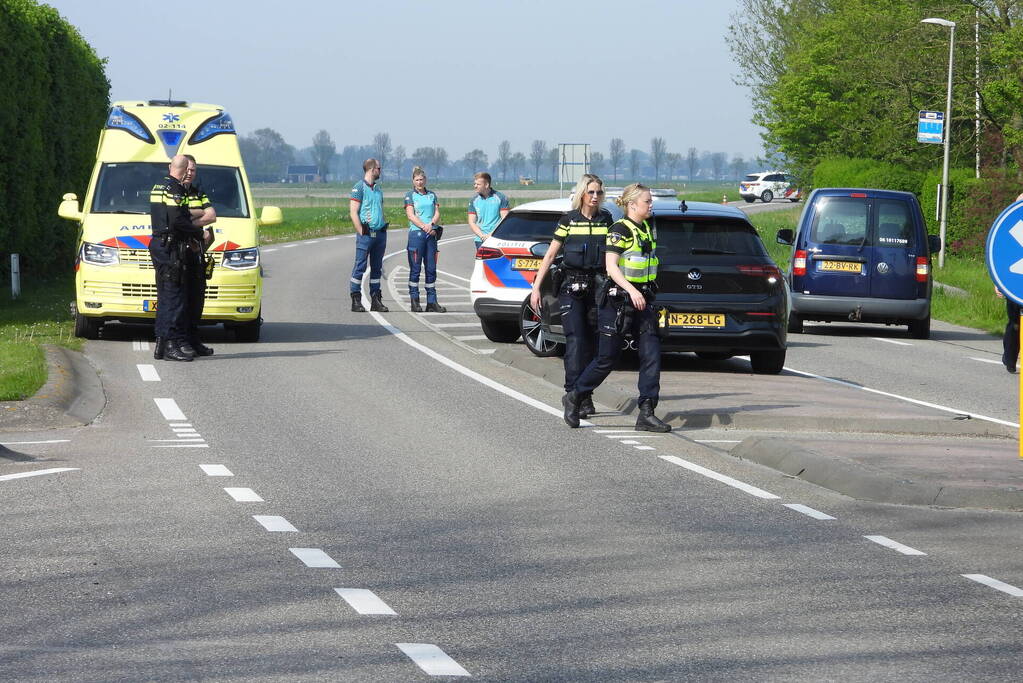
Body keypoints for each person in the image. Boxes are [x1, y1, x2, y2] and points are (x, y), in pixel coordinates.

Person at [563, 183, 671, 432]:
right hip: (618, 301)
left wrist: (644, 292)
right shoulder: (619, 230)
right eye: (647, 201)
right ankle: (575, 395)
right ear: (633, 205)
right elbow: (611, 266)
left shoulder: (645, 229)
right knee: (607, 358)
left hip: (643, 300)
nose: (651, 205)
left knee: (651, 355)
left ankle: (646, 412)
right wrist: (632, 291)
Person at [530, 173, 612, 418]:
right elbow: (550, 255)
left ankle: (584, 395)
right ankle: (572, 394)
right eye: (591, 192)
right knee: (576, 341)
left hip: (597, 288)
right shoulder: (568, 220)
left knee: (595, 343)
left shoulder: (606, 220)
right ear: (582, 194)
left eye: (598, 192)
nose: (595, 196)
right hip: (571, 288)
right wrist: (536, 287)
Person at [149, 155, 204, 362]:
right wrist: (198, 234)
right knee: (174, 297)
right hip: (171, 247)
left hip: (159, 244)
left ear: (170, 166)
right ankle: (171, 345)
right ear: (183, 170)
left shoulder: (157, 186)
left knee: (165, 296)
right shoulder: (176, 189)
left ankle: (161, 344)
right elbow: (177, 220)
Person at [181, 155, 217, 355]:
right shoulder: (174, 191)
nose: (189, 173)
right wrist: (196, 214)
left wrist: (187, 219)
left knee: (197, 300)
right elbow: (174, 218)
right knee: (180, 300)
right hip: (178, 254)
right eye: (186, 168)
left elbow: (211, 215)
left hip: (197, 254)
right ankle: (181, 341)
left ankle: (194, 340)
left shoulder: (198, 192)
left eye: (193, 170)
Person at [348, 158, 389, 312]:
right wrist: (361, 231)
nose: (380, 171)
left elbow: (380, 209)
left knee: (377, 268)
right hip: (366, 234)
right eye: (379, 168)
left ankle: (376, 299)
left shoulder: (378, 189)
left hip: (380, 234)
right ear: (372, 169)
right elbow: (353, 212)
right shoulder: (359, 187)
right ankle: (356, 299)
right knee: (360, 266)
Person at [404, 167, 446, 312]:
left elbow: (437, 212)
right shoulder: (410, 196)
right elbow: (410, 215)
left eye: (421, 179)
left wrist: (432, 225)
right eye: (417, 180)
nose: (419, 182)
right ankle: (414, 301)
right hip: (417, 235)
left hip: (431, 235)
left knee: (431, 268)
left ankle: (432, 302)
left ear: (425, 180)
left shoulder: (432, 195)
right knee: (415, 269)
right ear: (413, 181)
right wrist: (423, 226)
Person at [467, 172, 509, 249]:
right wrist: (482, 236)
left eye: (478, 184)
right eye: (474, 184)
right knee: (481, 261)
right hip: (480, 239)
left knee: (496, 261)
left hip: (496, 238)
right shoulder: (474, 200)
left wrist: (491, 234)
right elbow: (471, 221)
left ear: (486, 185)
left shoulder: (501, 197)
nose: (475, 186)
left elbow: (504, 219)